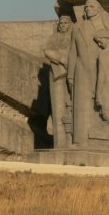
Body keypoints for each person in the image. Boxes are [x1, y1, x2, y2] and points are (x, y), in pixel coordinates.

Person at [67, 0, 109, 145]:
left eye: (91, 6)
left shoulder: (105, 26)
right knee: (80, 104)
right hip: (81, 69)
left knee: (103, 102)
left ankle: (103, 138)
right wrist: (70, 74)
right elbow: (73, 51)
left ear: (98, 9)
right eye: (86, 7)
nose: (88, 9)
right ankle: (80, 140)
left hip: (100, 67)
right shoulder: (78, 26)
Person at [43, 15, 73, 147]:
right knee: (57, 107)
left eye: (66, 23)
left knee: (71, 107)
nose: (63, 25)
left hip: (72, 73)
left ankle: (71, 141)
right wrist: (62, 59)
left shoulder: (73, 37)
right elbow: (47, 51)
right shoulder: (54, 37)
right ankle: (59, 144)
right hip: (57, 74)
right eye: (61, 23)